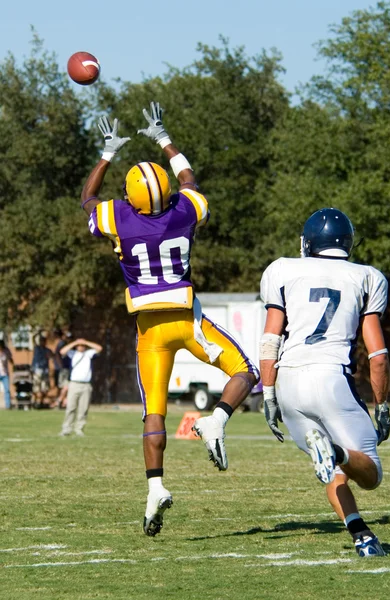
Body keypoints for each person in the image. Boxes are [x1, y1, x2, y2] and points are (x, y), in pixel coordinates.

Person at [80, 102, 259, 537]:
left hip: (150, 332)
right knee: (245, 372)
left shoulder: (118, 217)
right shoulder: (184, 211)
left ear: (131, 199)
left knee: (153, 413)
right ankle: (216, 419)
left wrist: (106, 154)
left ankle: (155, 487)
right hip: (187, 319)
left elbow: (88, 199)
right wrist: (163, 138)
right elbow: (188, 180)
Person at [259, 208, 390, 558]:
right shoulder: (367, 276)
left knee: (333, 471)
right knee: (370, 474)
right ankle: (335, 450)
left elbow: (270, 339)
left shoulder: (284, 269)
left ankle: (362, 536)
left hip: (288, 381)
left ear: (307, 242)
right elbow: (378, 356)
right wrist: (382, 406)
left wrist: (269, 394)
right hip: (330, 378)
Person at [59, 337, 103, 436]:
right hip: (74, 384)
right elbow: (62, 351)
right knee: (71, 407)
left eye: (82, 345)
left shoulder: (89, 354)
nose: (81, 347)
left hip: (86, 384)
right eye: (79, 345)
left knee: (83, 408)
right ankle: (66, 428)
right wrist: (75, 342)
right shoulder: (72, 354)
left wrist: (86, 342)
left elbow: (99, 348)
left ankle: (79, 429)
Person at [31, 333, 54, 408]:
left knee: (45, 388)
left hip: (45, 370)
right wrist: (38, 332)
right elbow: (33, 339)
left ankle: (41, 402)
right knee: (37, 388)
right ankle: (37, 402)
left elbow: (52, 356)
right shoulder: (37, 348)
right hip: (37, 370)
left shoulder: (47, 350)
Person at [53, 330, 72, 409]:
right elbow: (57, 354)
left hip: (68, 368)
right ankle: (59, 401)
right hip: (64, 368)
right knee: (65, 386)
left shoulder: (69, 345)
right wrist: (60, 365)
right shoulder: (62, 344)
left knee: (66, 386)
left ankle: (64, 402)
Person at [0, 340, 14, 409]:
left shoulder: (6, 351)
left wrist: (13, 365)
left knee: (7, 390)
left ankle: (8, 406)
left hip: (5, 373)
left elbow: (11, 360)